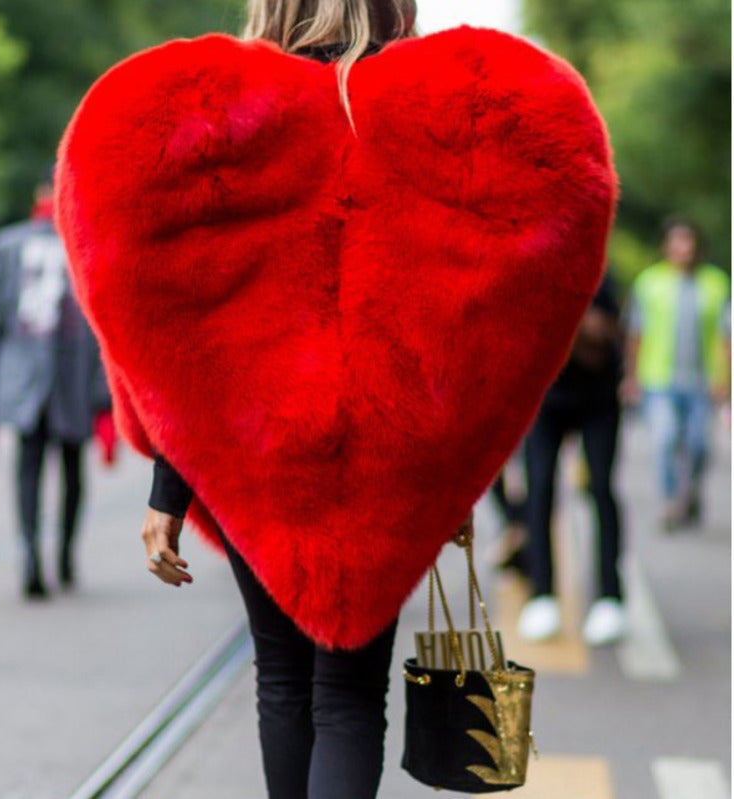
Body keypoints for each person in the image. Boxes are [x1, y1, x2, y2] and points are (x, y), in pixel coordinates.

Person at [55, 3, 619, 796]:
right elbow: (506, 281)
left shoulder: (213, 112)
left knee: (281, 681)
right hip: (388, 463)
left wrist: (165, 489)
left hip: (259, 459)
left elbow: (168, 317)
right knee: (352, 697)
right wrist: (459, 446)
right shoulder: (445, 110)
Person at [0, 171, 116, 598]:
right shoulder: (87, 247)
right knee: (71, 469)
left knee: (29, 468)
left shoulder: (4, 247)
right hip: (72, 379)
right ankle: (63, 556)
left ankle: (32, 555)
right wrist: (105, 394)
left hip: (24, 380)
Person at [517, 275, 626, 645]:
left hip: (598, 400)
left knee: (600, 488)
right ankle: (541, 593)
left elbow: (605, 335)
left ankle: (610, 597)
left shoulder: (601, 278)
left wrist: (579, 328)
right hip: (545, 400)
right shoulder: (536, 274)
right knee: (540, 489)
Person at [621, 216, 730, 529]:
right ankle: (670, 500)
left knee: (699, 446)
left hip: (702, 381)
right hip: (659, 380)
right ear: (666, 246)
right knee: (665, 439)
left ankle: (690, 492)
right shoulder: (650, 282)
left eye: (689, 241)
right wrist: (631, 377)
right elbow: (636, 334)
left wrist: (726, 380)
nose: (684, 248)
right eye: (677, 241)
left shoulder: (716, 283)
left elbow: (726, 337)